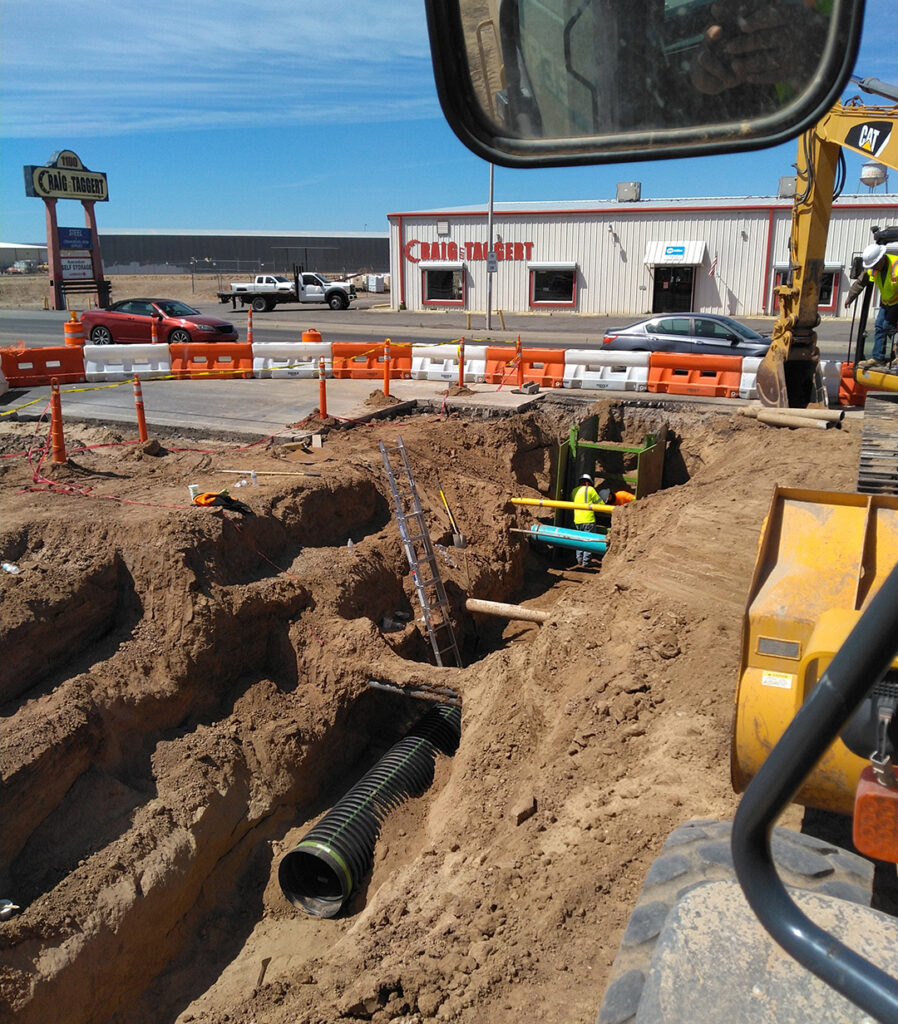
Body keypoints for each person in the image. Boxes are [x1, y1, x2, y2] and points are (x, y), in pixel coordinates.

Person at [846, 243, 898, 371]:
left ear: (882, 258)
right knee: (879, 325)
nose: (874, 268)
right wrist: (850, 297)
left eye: (875, 265)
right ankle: (878, 358)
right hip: (887, 302)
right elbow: (860, 283)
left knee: (888, 325)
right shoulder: (873, 269)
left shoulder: (896, 267)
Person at [572, 473, 601, 568]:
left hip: (577, 520)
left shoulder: (574, 491)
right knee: (588, 540)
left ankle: (579, 559)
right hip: (588, 519)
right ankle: (586, 562)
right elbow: (600, 503)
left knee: (579, 539)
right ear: (588, 483)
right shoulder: (590, 489)